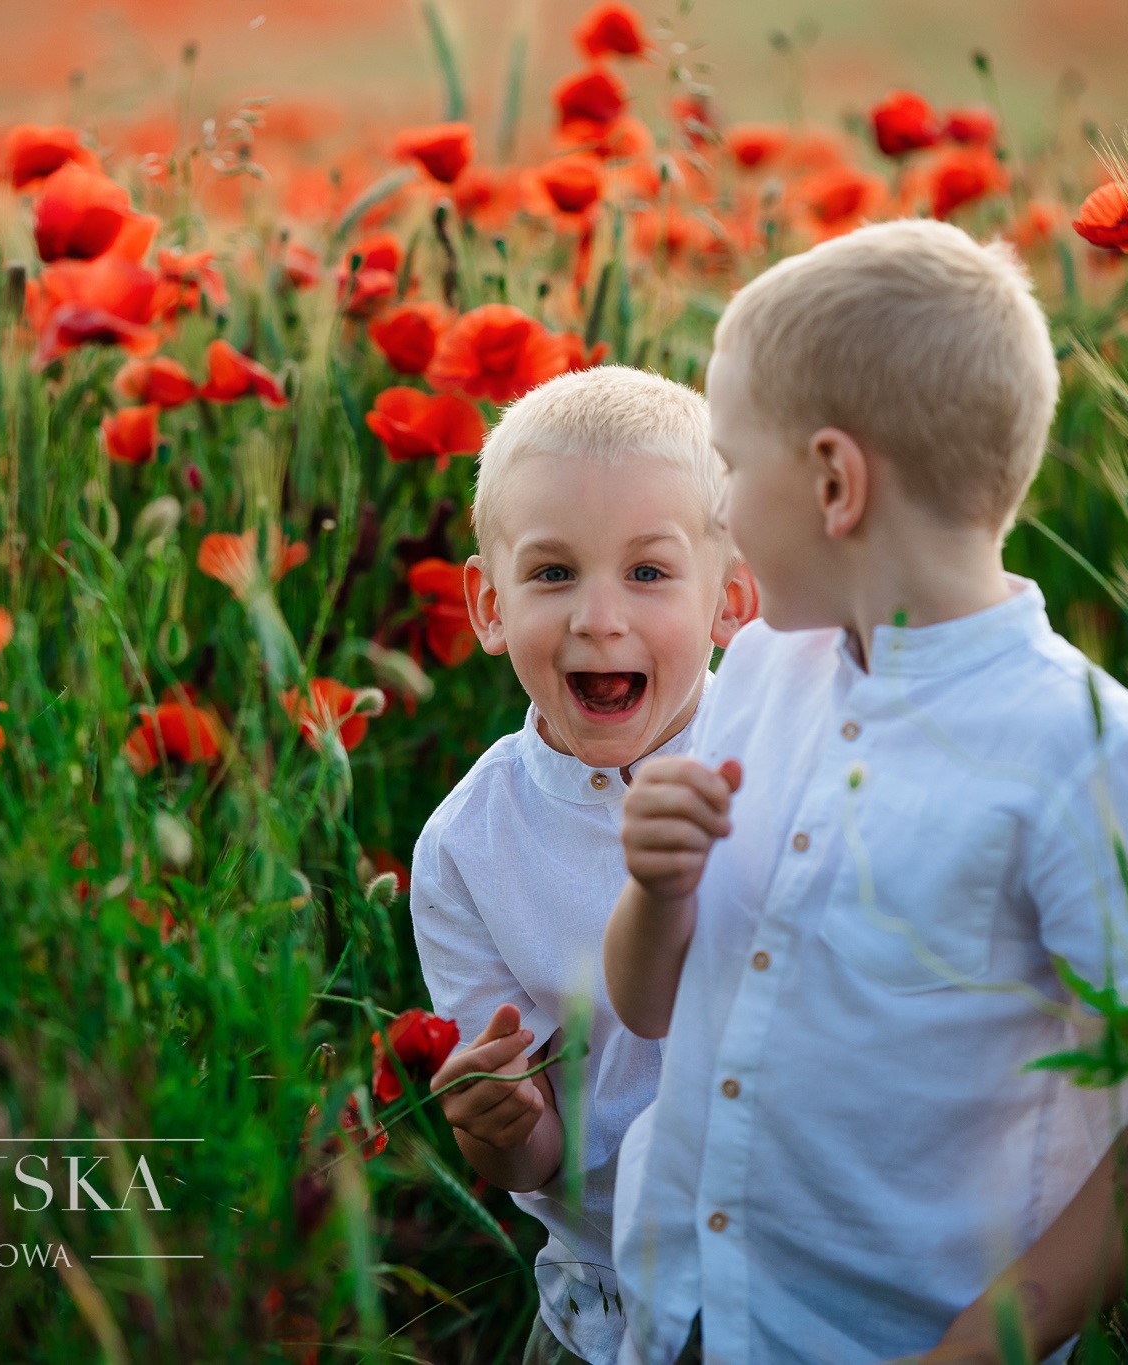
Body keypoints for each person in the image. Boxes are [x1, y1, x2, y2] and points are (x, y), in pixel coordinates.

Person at [603, 219, 1128, 1365]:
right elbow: (650, 1011)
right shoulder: (760, 671)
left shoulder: (1082, 757)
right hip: (676, 1310)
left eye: (730, 465)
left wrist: (975, 1350)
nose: (718, 511)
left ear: (833, 481)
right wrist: (656, 887)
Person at [409, 365, 757, 1365]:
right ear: (488, 605)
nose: (598, 617)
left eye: (647, 573)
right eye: (553, 573)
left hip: (795, 1291)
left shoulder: (788, 765)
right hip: (600, 1312)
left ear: (731, 599)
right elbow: (536, 1157)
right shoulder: (467, 847)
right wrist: (496, 1123)